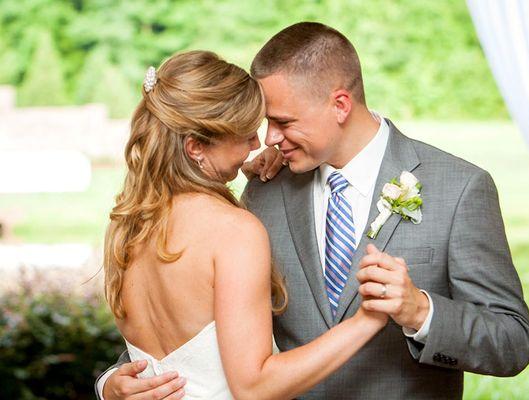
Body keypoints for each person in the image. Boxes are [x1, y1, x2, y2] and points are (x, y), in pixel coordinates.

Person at [98, 22, 529, 399]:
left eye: (284, 123)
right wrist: (115, 379)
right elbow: (200, 325)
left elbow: (512, 342)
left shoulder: (458, 188)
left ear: (340, 104)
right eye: (265, 123)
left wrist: (420, 311)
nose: (268, 139)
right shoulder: (264, 192)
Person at [98, 49, 388, 400]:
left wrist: (108, 386)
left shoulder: (128, 226)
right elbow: (254, 386)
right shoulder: (233, 231)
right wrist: (366, 321)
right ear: (195, 147)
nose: (258, 144)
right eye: (245, 133)